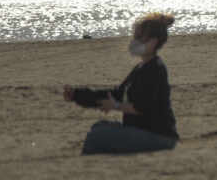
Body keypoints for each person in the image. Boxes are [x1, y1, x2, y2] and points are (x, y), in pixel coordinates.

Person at [63, 12, 179, 155]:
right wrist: (77, 95)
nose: (134, 41)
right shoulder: (140, 68)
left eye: (139, 37)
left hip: (158, 136)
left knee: (97, 136)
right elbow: (116, 94)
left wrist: (116, 106)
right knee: (99, 127)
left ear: (153, 42)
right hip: (140, 132)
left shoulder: (156, 69)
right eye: (135, 37)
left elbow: (143, 107)